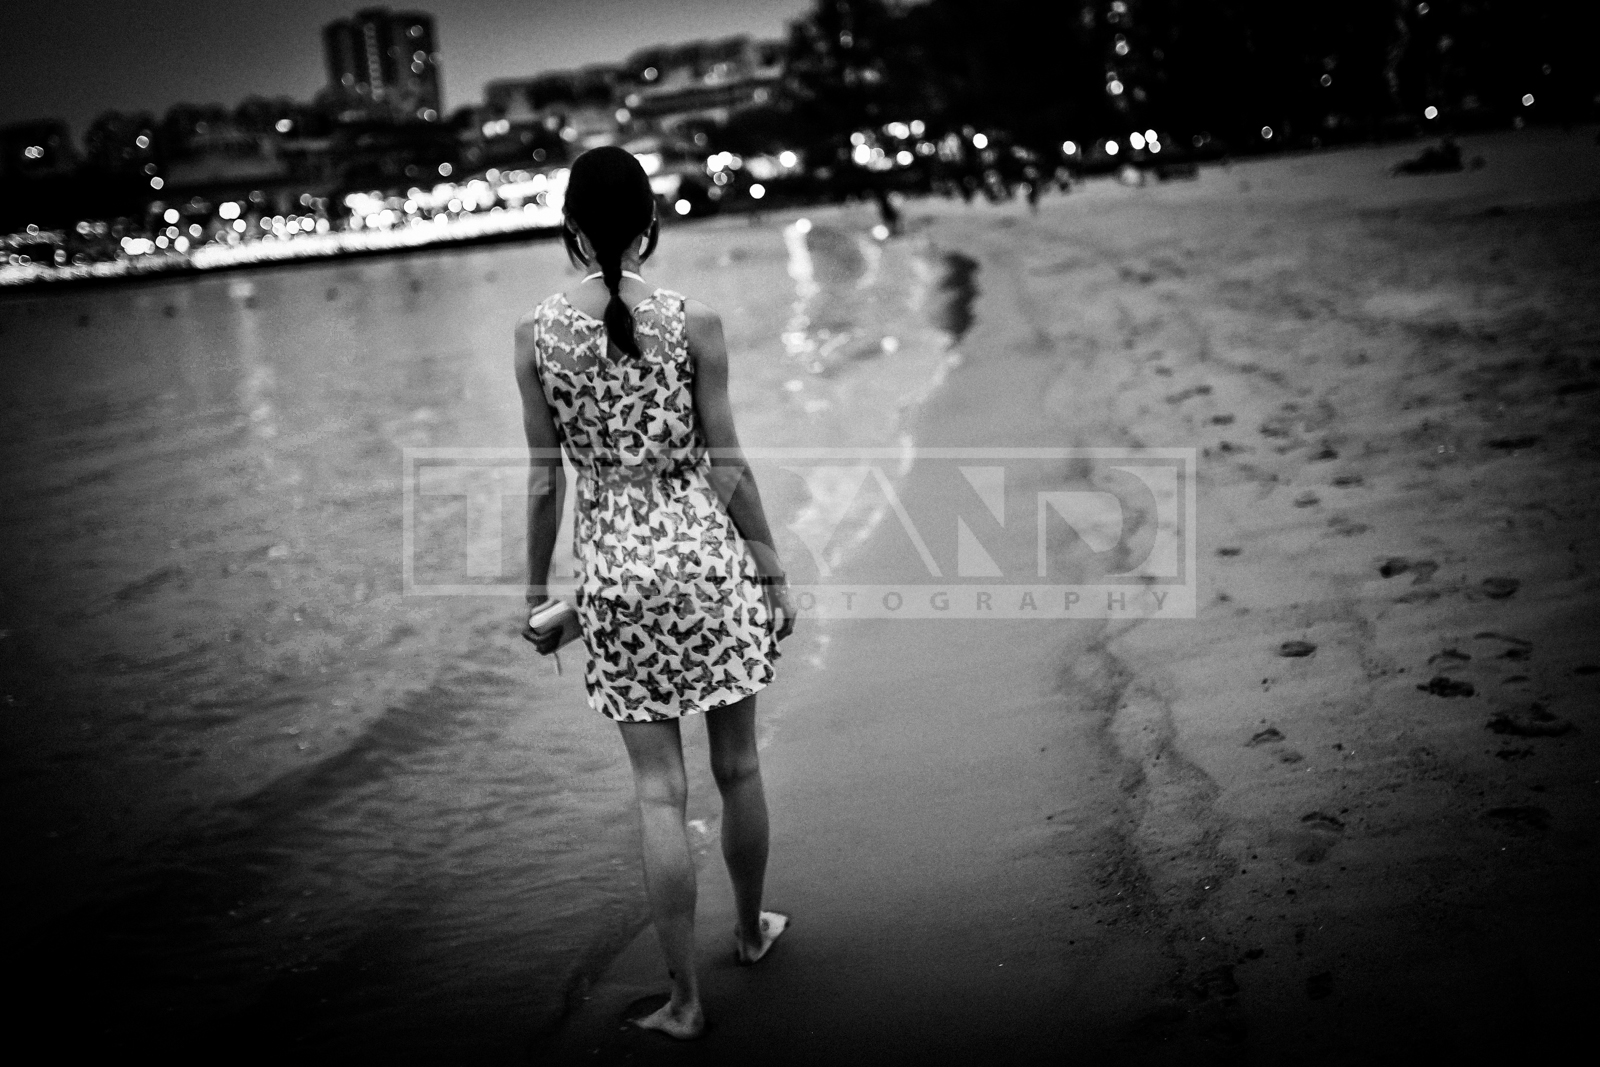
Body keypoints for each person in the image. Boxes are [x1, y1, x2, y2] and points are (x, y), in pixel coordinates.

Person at [514, 146, 798, 1040]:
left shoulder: (535, 335)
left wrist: (536, 591)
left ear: (570, 226)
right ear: (649, 223)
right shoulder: (694, 322)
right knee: (738, 767)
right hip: (707, 562)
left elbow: (543, 480)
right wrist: (771, 568)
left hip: (614, 576)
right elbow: (727, 463)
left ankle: (684, 1000)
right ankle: (750, 933)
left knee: (658, 793)